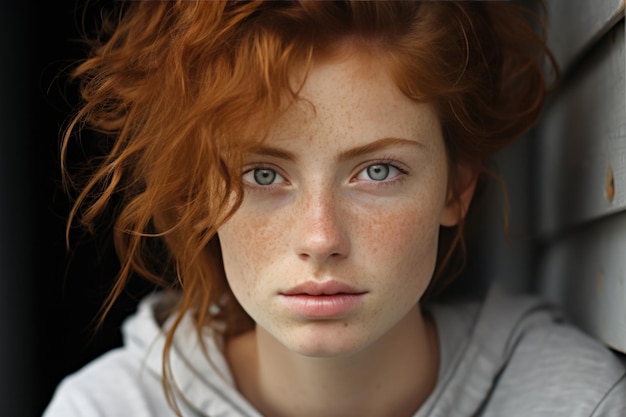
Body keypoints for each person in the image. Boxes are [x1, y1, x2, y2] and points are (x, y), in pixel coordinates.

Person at [44, 1, 626, 416]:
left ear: (456, 186)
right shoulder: (106, 407)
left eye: (378, 171)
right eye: (263, 174)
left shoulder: (577, 403)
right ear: (200, 195)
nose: (321, 239)